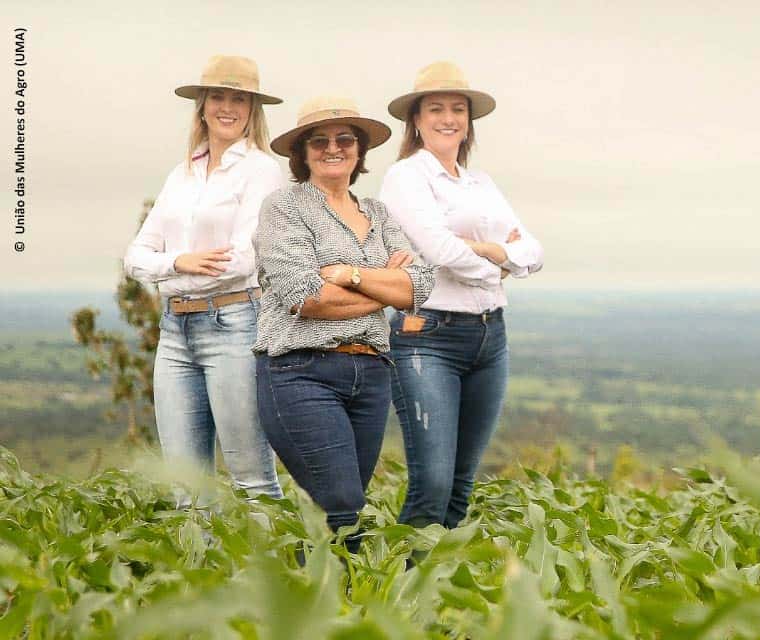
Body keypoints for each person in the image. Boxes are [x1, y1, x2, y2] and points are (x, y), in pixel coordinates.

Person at [253, 95, 436, 551]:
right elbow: (306, 297)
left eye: (344, 139)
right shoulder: (284, 208)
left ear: (359, 151)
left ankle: (320, 602)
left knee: (340, 513)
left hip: (371, 374)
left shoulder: (378, 213)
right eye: (319, 141)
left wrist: (350, 275)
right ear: (302, 153)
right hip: (300, 372)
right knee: (343, 505)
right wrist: (383, 289)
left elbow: (421, 285)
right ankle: (340, 606)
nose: (333, 148)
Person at [379, 61, 544, 529]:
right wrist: (499, 262)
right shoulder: (407, 178)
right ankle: (398, 589)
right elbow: (437, 249)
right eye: (436, 108)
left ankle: (439, 591)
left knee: (460, 482)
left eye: (457, 109)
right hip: (428, 336)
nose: (448, 117)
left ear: (468, 121)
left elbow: (533, 250)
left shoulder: (480, 184)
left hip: (490, 337)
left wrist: (495, 252)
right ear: (416, 119)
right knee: (432, 484)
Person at [124, 55, 283, 500]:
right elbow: (135, 256)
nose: (227, 107)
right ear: (202, 105)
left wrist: (172, 266)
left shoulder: (262, 170)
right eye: (218, 96)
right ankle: (201, 570)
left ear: (253, 109)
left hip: (234, 324)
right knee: (185, 486)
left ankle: (275, 570)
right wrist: (179, 263)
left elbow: (246, 258)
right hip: (174, 331)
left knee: (250, 476)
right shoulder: (182, 174)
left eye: (239, 98)